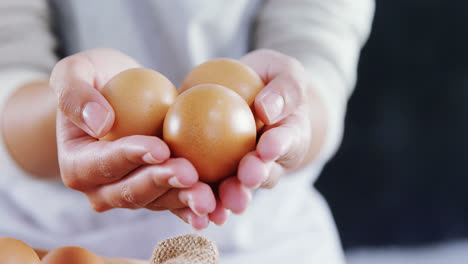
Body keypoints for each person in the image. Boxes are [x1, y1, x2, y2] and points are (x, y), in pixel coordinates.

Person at [0, 0, 375, 263]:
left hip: (263, 242)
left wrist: (290, 117)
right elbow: (10, 67)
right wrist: (78, 111)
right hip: (46, 236)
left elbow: (317, 54)